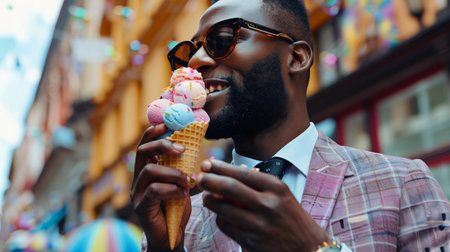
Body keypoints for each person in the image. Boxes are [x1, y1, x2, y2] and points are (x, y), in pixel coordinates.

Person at [130, 0, 450, 251]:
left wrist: (314, 248)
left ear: (296, 58)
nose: (197, 61)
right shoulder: (186, 218)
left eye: (223, 39)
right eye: (190, 52)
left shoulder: (404, 184)